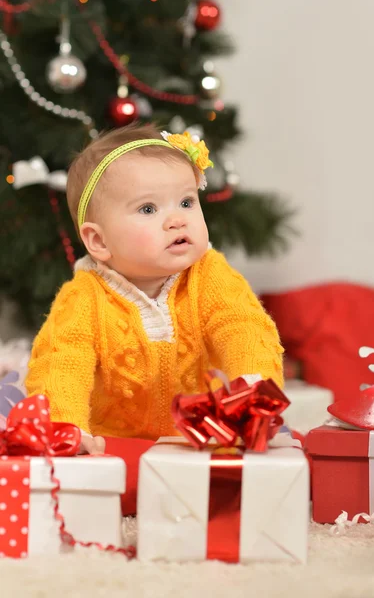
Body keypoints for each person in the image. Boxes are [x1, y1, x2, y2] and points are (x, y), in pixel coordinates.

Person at [25, 124, 284, 456]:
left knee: (226, 487)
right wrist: (66, 429)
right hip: (114, 444)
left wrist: (252, 386)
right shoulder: (84, 297)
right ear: (99, 241)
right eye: (148, 209)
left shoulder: (209, 274)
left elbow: (243, 328)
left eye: (187, 202)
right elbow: (60, 364)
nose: (176, 220)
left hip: (202, 437)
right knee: (109, 492)